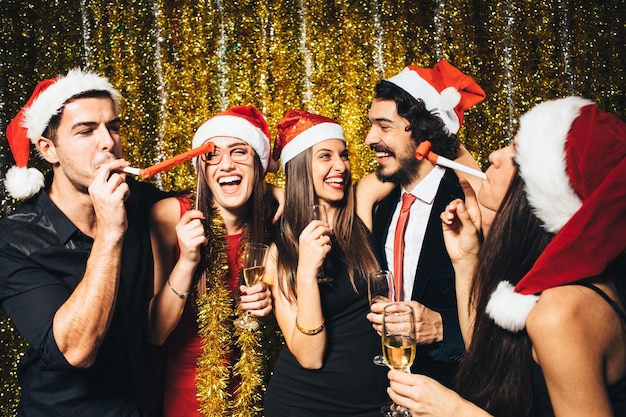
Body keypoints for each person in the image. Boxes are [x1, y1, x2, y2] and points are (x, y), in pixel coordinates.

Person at [386, 96, 626, 416]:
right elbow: (490, 366)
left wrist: (457, 411)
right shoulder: (544, 281)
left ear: (543, 189)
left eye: (516, 153)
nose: (494, 155)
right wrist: (466, 260)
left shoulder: (560, 313)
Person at [0, 69, 168, 416]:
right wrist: (109, 232)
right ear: (48, 149)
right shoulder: (14, 241)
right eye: (86, 131)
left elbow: (207, 205)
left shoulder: (138, 200)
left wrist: (272, 193)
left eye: (113, 127)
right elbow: (75, 350)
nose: (108, 142)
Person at [147, 105, 281, 417]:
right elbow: (155, 332)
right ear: (201, 170)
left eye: (239, 152)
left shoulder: (274, 217)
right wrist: (187, 261)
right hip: (185, 398)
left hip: (256, 398)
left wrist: (269, 305)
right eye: (212, 155)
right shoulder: (168, 216)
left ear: (259, 166)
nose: (226, 165)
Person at [365, 59, 486, 387]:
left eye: (383, 126)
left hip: (457, 390)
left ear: (421, 132)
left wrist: (442, 327)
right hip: (390, 387)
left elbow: (508, 319)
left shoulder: (469, 209)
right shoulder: (383, 206)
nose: (368, 139)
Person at [263, 110, 390, 416]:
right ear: (300, 168)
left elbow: (416, 160)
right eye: (325, 156)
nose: (340, 165)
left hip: (374, 403)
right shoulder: (279, 255)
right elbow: (310, 357)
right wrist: (306, 272)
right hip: (304, 405)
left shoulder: (361, 203)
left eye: (343, 155)